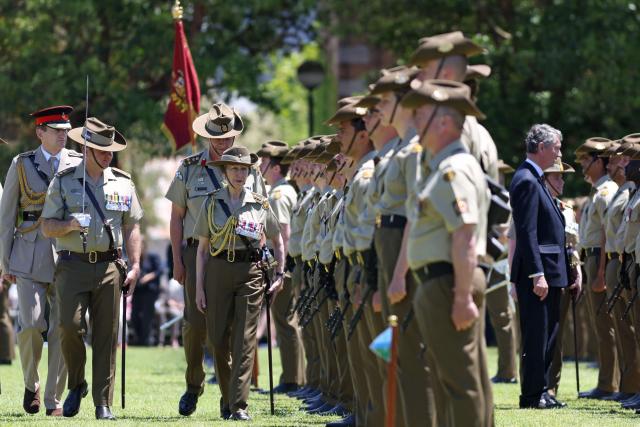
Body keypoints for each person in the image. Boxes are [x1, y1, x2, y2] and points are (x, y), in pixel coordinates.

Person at [400, 79, 493, 426]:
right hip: (441, 282)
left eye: (420, 114)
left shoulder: (456, 168)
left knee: (460, 383)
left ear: (442, 121)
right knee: (450, 380)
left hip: (449, 282)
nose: (414, 122)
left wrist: (462, 297)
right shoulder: (441, 167)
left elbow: (465, 236)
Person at [165, 103, 266, 416]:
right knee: (196, 327)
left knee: (233, 332)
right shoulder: (190, 167)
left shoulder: (250, 169)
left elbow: (262, 213)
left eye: (228, 137)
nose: (223, 143)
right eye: (217, 138)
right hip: (199, 253)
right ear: (207, 136)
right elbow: (177, 218)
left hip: (240, 257)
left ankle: (231, 399)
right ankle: (194, 384)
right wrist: (177, 261)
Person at [41, 117, 143, 420]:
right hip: (72, 265)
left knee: (106, 336)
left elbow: (133, 225)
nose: (107, 154)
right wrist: (69, 224)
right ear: (85, 149)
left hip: (110, 266)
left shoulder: (123, 182)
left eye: (110, 149)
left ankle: (103, 403)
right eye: (101, 148)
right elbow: (46, 226)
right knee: (69, 327)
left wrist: (135, 265)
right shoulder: (64, 180)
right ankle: (77, 383)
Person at [0, 106, 82, 416]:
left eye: (65, 130)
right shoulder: (21, 164)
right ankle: (31, 383)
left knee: (63, 328)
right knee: (31, 325)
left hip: (67, 252)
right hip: (29, 252)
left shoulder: (78, 163)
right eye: (56, 130)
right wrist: (4, 263)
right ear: (40, 133)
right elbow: (7, 217)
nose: (63, 135)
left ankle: (52, 400)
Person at [193, 146, 285, 421]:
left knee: (244, 340)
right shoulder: (211, 202)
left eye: (244, 169)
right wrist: (199, 287)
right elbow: (202, 250)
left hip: (250, 272)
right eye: (234, 168)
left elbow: (277, 240)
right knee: (218, 339)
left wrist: (280, 274)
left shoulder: (259, 203)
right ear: (224, 171)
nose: (239, 174)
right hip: (219, 270)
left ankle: (239, 405)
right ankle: (228, 396)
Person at [509, 123, 575, 409]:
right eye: (556, 148)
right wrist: (537, 274)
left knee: (547, 335)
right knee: (537, 336)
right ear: (542, 148)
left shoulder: (535, 179)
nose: (559, 152)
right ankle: (532, 395)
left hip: (550, 271)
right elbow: (527, 232)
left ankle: (542, 391)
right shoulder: (526, 179)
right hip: (538, 273)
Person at [257, 140, 304, 393]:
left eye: (264, 163)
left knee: (285, 321)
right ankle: (294, 377)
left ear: (275, 168)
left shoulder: (278, 194)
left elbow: (282, 236)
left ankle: (292, 379)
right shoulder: (281, 191)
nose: (260, 166)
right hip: (287, 264)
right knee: (286, 320)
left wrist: (277, 269)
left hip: (284, 266)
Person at [575, 137, 620, 400]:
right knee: (601, 325)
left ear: (600, 162)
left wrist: (601, 272)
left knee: (606, 324)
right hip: (592, 259)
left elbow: (607, 235)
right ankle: (608, 382)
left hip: (598, 259)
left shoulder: (605, 192)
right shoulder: (598, 191)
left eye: (586, 159)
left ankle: (610, 384)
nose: (582, 164)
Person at [131, 238, 163, 346]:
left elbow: (160, 270)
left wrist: (149, 277)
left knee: (147, 317)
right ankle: (138, 338)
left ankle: (145, 341)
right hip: (138, 291)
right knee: (134, 316)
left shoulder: (153, 256)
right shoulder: (135, 260)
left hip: (150, 291)